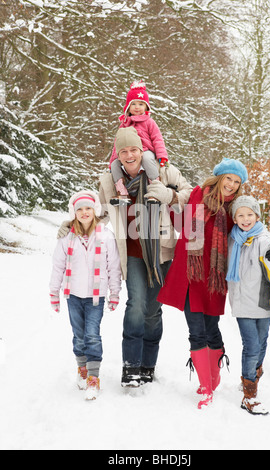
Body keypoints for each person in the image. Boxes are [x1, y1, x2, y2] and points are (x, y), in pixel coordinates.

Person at [157, 158, 270, 409]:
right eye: (229, 179)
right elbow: (181, 222)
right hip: (190, 272)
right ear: (219, 177)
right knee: (196, 329)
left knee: (211, 328)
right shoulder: (196, 194)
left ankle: (213, 377)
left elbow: (253, 229)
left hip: (214, 276)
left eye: (237, 182)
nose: (232, 185)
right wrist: (168, 199)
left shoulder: (234, 207)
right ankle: (206, 386)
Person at [99, 126, 193, 387]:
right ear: (117, 155)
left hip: (160, 252)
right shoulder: (109, 181)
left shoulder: (162, 172)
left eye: (134, 150)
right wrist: (74, 222)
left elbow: (191, 194)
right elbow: (99, 213)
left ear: (142, 150)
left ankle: (148, 365)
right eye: (124, 151)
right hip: (131, 253)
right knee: (136, 305)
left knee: (152, 311)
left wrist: (170, 194)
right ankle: (131, 366)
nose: (129, 156)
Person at [50, 190, 122, 400]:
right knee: (78, 335)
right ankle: (82, 368)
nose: (84, 212)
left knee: (92, 334)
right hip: (73, 295)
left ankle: (93, 376)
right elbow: (58, 266)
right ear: (74, 212)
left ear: (95, 210)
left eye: (88, 208)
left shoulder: (106, 235)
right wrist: (54, 293)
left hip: (96, 297)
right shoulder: (67, 237)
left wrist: (115, 293)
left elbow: (114, 267)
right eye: (79, 209)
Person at [226, 195, 270, 415]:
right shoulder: (231, 240)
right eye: (240, 215)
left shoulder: (264, 241)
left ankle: (250, 379)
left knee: (262, 344)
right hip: (243, 304)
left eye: (250, 214)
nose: (245, 219)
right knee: (251, 346)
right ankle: (249, 395)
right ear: (234, 218)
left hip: (263, 304)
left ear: (257, 216)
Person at [109, 81, 169, 206]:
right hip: (128, 152)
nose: (137, 107)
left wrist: (162, 156)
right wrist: (113, 160)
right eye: (134, 104)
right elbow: (117, 145)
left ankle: (155, 189)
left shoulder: (149, 122)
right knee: (114, 165)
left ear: (146, 107)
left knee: (147, 158)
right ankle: (122, 192)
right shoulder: (125, 124)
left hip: (146, 151)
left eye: (141, 104)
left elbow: (158, 139)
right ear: (128, 107)